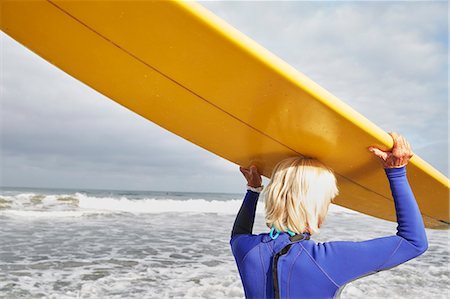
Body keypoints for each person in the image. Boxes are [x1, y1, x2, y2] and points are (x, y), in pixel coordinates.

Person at [230, 132, 428, 299]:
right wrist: (397, 172)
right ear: (315, 205)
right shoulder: (326, 259)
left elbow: (238, 234)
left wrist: (253, 191)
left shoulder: (247, 250)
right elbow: (413, 242)